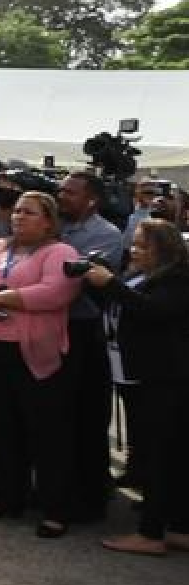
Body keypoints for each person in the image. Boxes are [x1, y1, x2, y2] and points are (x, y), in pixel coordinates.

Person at [0, 191, 82, 539]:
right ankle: (6, 497)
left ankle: (56, 509)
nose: (18, 217)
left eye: (28, 212)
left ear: (48, 220)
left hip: (32, 357)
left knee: (45, 432)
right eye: (16, 212)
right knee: (1, 426)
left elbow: (56, 292)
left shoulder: (60, 252)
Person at [81, 220, 189, 555]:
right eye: (133, 244)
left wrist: (110, 282)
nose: (133, 250)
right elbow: (120, 307)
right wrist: (98, 280)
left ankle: (151, 533)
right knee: (166, 456)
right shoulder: (137, 276)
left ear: (163, 249)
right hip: (137, 379)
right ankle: (180, 528)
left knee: (160, 458)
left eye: (142, 245)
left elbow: (153, 311)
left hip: (163, 382)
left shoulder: (178, 279)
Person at [56, 172, 125, 522]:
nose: (61, 196)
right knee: (57, 417)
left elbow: (74, 279)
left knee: (87, 417)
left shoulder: (107, 236)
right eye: (61, 190)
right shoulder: (54, 226)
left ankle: (91, 497)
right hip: (50, 331)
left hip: (86, 335)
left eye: (70, 192)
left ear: (91, 200)